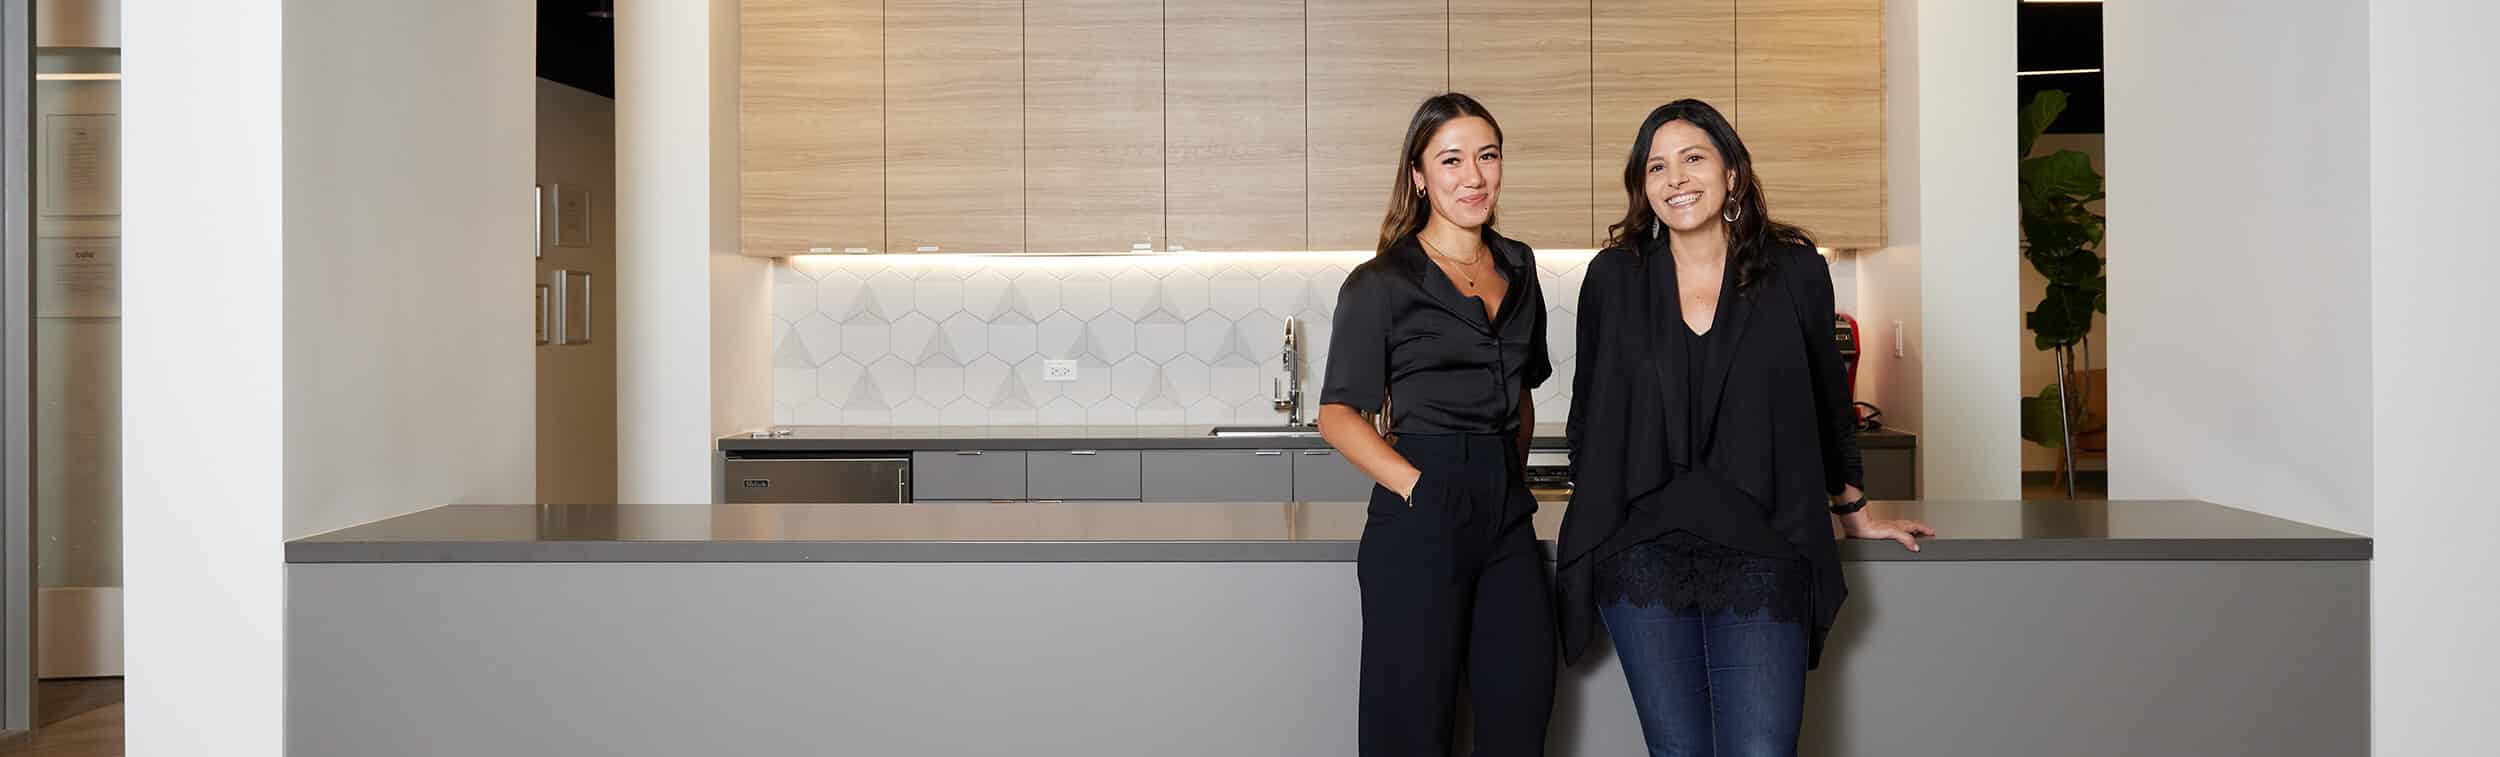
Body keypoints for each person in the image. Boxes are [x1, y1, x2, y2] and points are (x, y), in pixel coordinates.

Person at [1556, 99, 1936, 757]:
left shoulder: (1794, 269)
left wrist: (1856, 510)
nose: (1675, 178)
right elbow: (1588, 414)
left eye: (1693, 158)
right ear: (1643, 188)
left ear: (1731, 172)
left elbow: (1828, 400)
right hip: (1642, 552)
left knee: (1761, 748)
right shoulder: (1614, 278)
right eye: (1656, 166)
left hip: (1765, 548)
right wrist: (1594, 526)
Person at [1316, 92, 1556, 756]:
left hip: (1507, 515)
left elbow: (1524, 390)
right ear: (1419, 175)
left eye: (1487, 155)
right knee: (1411, 732)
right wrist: (1420, 487)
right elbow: (1337, 412)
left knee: (1520, 714)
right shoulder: (1382, 281)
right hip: (1420, 513)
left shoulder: (1520, 265)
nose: (1472, 176)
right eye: (1451, 159)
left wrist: (1505, 469)